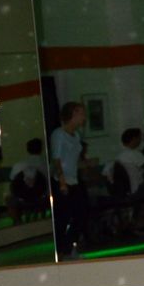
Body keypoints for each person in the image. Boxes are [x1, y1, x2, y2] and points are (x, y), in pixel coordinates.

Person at [50, 102, 87, 258]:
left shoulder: (76, 135)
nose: (84, 117)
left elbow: (74, 158)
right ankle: (63, 250)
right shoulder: (59, 134)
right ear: (73, 114)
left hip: (74, 179)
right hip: (62, 181)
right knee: (64, 217)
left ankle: (68, 247)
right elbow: (57, 160)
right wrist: (62, 182)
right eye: (81, 113)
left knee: (81, 214)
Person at [7, 138, 48, 223]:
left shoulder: (19, 165)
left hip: (22, 198)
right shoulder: (46, 165)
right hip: (42, 198)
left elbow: (12, 181)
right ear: (41, 149)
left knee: (9, 199)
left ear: (27, 149)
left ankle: (18, 223)